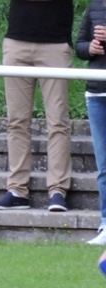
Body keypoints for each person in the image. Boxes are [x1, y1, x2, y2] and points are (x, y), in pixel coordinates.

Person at [0, 0, 74, 213]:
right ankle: (17, 190)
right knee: (16, 121)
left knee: (57, 121)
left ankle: (58, 190)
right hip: (17, 42)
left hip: (54, 44)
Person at [76, 3, 106, 244]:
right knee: (103, 166)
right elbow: (79, 45)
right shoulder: (94, 6)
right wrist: (90, 48)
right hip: (96, 94)